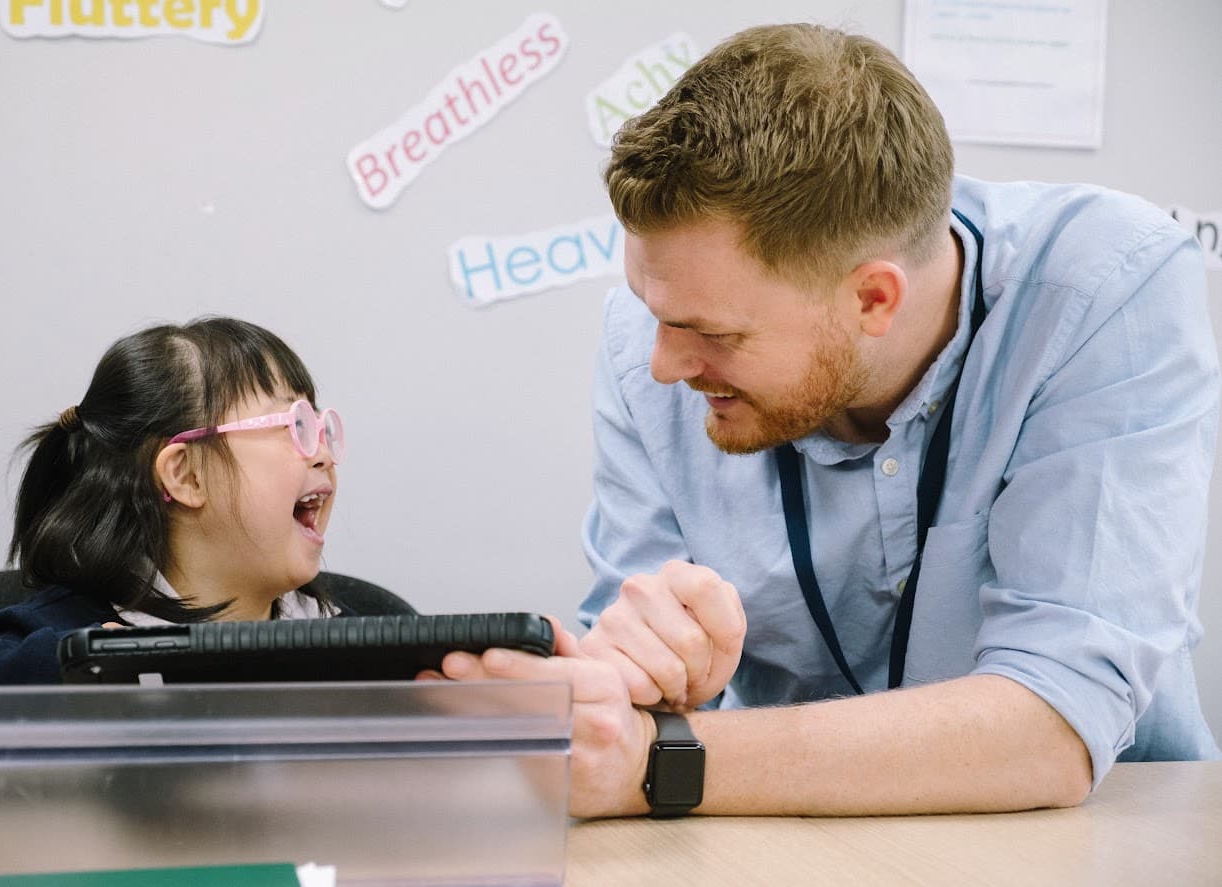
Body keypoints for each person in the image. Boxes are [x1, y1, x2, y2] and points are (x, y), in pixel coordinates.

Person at [438, 23, 1221, 817]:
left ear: (872, 298)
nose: (662, 365)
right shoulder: (647, 338)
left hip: (1108, 836)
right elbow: (624, 703)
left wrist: (658, 761)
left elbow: (1052, 726)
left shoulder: (1105, 288)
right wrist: (638, 679)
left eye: (713, 334)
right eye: (651, 312)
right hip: (778, 843)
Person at [0, 317, 410, 685]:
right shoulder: (67, 637)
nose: (323, 453)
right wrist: (85, 663)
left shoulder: (345, 638)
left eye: (320, 427)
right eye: (293, 427)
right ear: (185, 475)